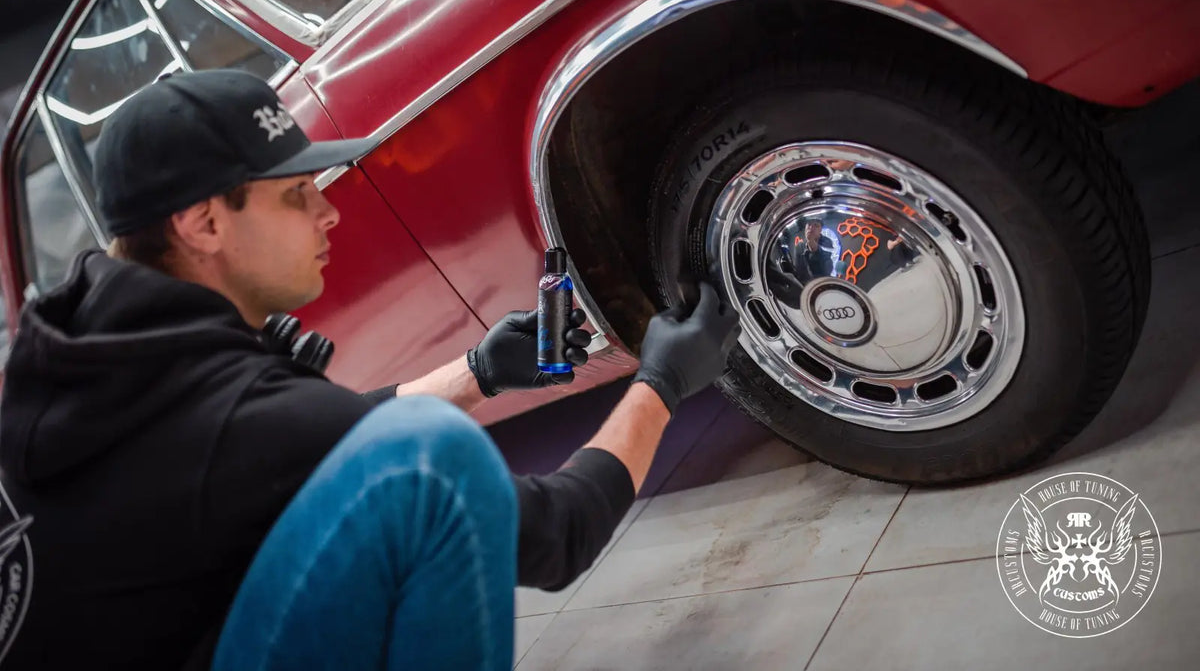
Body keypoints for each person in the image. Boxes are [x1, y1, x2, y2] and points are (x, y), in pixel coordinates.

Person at [0, 70, 740, 670]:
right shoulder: (229, 422)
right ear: (204, 224)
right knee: (432, 463)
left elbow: (304, 444)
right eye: (296, 195)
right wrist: (662, 383)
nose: (328, 215)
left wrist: (479, 372)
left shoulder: (85, 356)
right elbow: (558, 534)